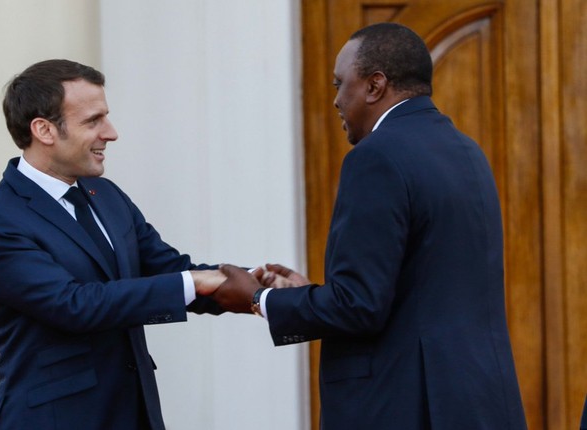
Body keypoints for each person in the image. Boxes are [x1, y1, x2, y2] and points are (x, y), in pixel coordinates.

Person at [209, 23, 527, 429]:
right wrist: (312, 294)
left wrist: (259, 299)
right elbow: (420, 289)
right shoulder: (466, 150)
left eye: (342, 84)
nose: (338, 100)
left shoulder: (376, 156)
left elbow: (358, 306)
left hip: (407, 405)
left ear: (375, 85)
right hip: (478, 403)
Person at [0, 59, 225, 430]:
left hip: (134, 413)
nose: (111, 133)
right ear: (44, 130)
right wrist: (196, 282)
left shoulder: (105, 194)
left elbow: (169, 268)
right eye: (93, 121)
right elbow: (73, 305)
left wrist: (253, 286)